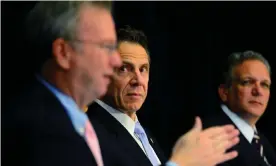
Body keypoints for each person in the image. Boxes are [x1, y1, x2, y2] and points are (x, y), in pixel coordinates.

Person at [87, 26, 240, 166]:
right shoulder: (89, 131)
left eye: (143, 69)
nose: (138, 80)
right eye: (125, 69)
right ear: (103, 74)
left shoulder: (144, 133)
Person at [2, 1, 121, 166]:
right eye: (107, 47)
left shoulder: (84, 125)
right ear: (63, 53)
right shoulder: (39, 133)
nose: (117, 61)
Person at [202, 50, 276, 166]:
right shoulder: (211, 139)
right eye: (247, 82)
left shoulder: (264, 144)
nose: (258, 91)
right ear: (224, 92)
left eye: (264, 84)